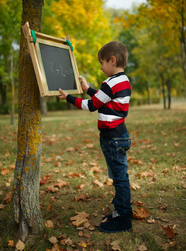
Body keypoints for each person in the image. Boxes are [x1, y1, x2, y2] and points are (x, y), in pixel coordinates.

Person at [58, 41, 132, 233]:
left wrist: (69, 98)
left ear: (112, 60)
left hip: (112, 139)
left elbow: (93, 106)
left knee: (119, 178)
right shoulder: (122, 81)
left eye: (102, 63)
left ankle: (123, 217)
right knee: (119, 176)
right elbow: (104, 99)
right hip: (120, 135)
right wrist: (88, 88)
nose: (100, 67)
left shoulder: (109, 83)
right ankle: (120, 212)